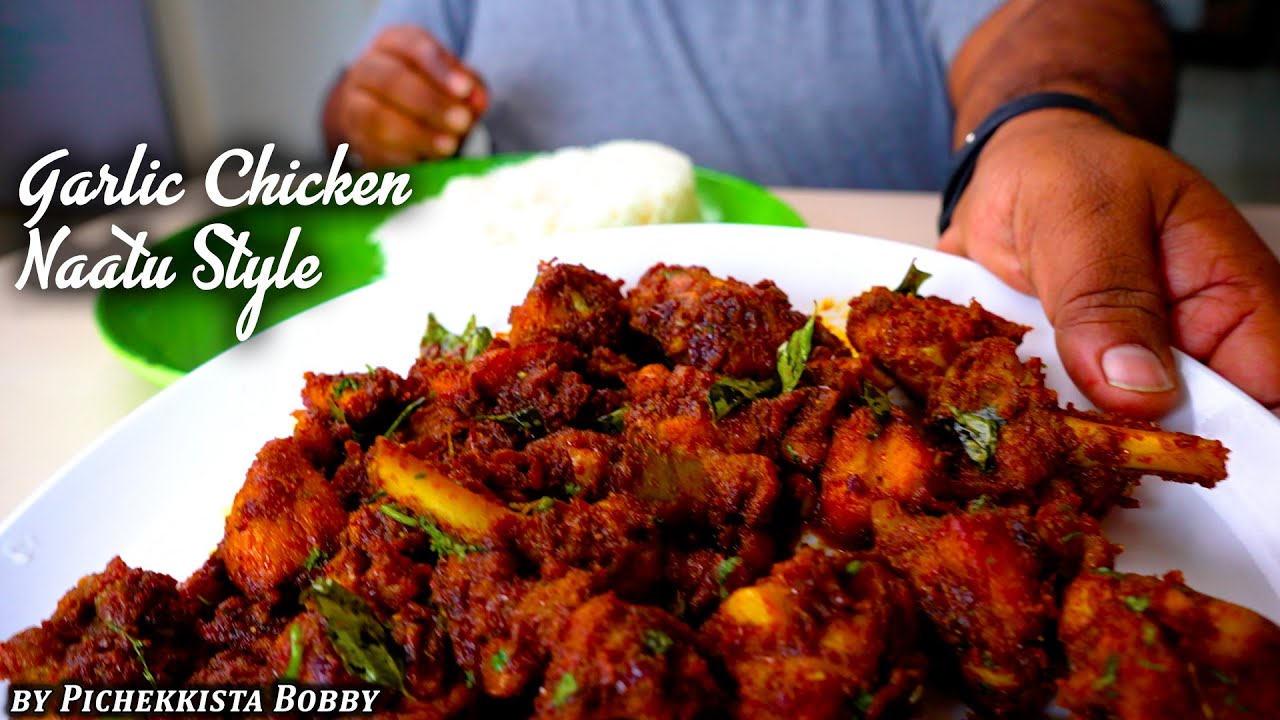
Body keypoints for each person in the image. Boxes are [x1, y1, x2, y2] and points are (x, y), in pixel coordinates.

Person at [323, 0, 1280, 419]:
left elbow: (1058, 14)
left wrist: (1047, 121)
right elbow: (354, 109)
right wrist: (368, 114)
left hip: (883, 296)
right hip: (538, 318)